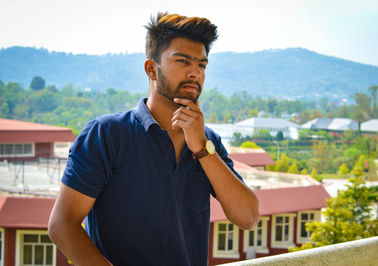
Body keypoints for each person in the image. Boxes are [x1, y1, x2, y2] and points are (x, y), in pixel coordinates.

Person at [48, 12, 259, 266]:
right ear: (151, 69)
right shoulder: (107, 134)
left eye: (202, 65)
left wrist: (202, 149)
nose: (195, 73)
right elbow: (62, 225)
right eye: (183, 61)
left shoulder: (208, 142)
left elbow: (248, 217)